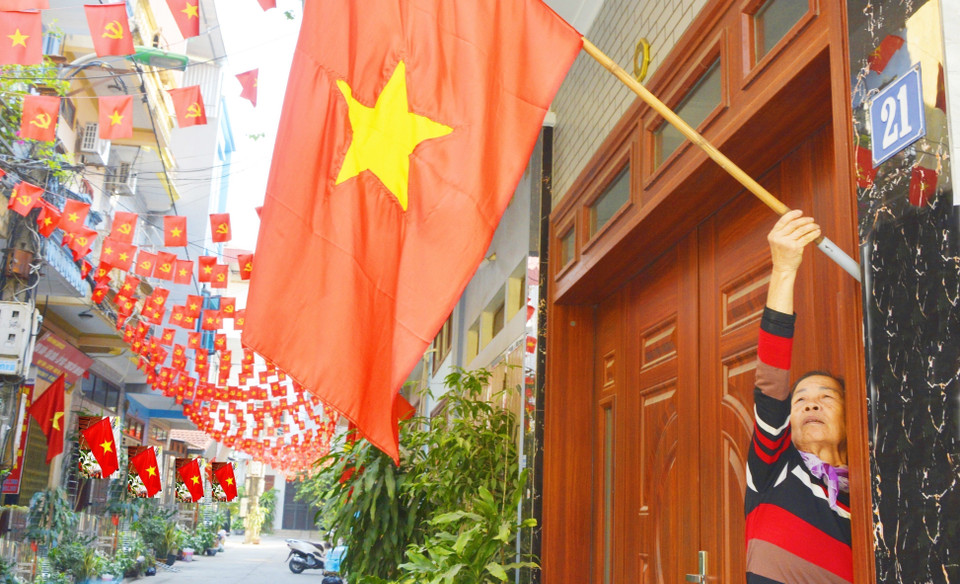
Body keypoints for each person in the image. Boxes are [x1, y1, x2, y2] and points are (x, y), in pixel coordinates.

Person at [745, 210, 852, 584]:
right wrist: (784, 269)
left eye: (827, 397)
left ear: (849, 419)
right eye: (801, 399)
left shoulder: (874, 492)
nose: (811, 403)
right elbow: (771, 381)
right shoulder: (773, 468)